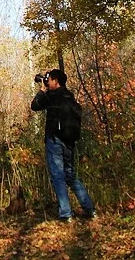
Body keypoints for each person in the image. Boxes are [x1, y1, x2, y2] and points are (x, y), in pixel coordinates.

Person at [31, 69, 96, 222]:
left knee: (57, 176)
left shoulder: (52, 96)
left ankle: (66, 214)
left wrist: (42, 90)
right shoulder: (69, 96)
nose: (47, 82)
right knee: (71, 176)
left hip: (55, 140)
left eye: (49, 80)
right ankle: (90, 209)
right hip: (69, 141)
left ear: (56, 81)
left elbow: (35, 106)